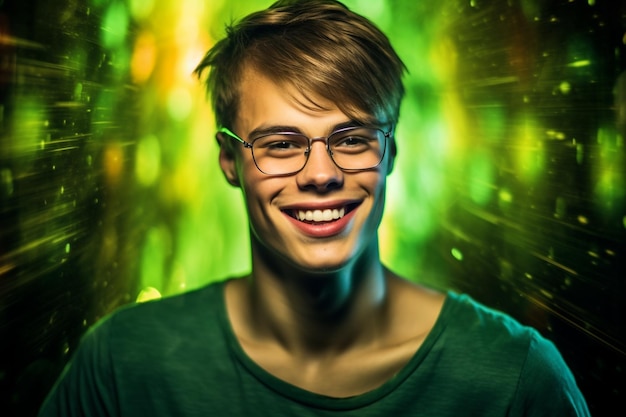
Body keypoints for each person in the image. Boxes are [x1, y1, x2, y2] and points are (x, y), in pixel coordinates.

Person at [38, 0, 590, 415]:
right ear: (229, 160)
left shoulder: (516, 380)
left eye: (351, 138)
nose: (321, 174)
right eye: (281, 143)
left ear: (390, 151)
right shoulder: (124, 367)